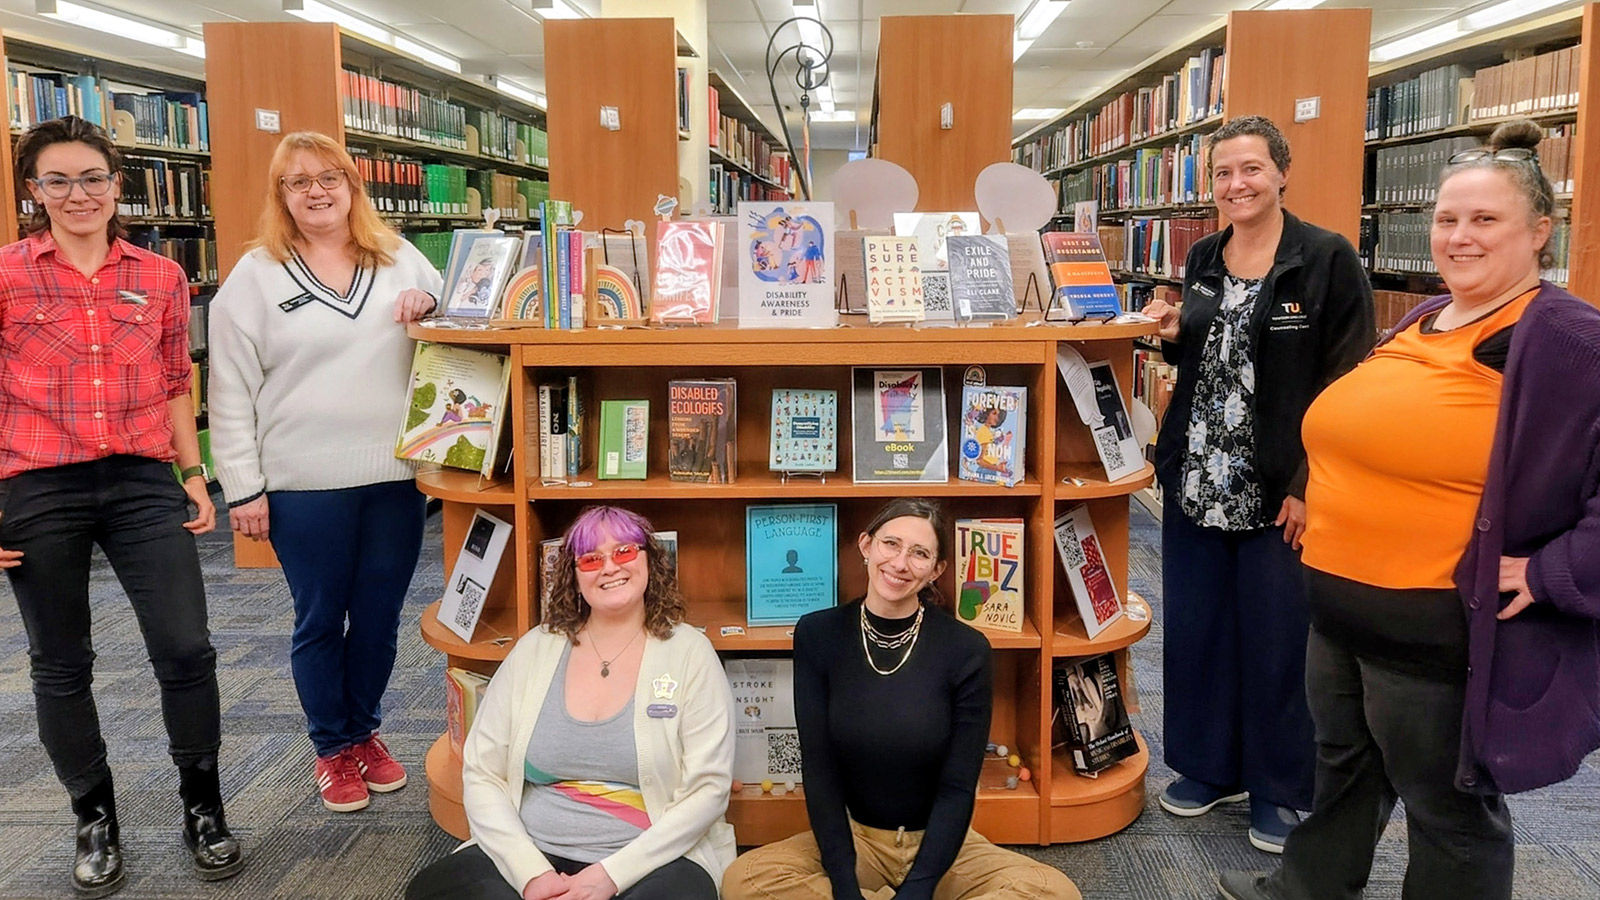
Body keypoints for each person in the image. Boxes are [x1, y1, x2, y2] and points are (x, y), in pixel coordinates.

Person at [1219, 121, 1600, 900]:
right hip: (1338, 608)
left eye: (1484, 220)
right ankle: (1310, 889)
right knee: (1344, 774)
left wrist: (1561, 570)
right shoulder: (1424, 319)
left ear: (1539, 231)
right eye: (1447, 219)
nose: (1459, 237)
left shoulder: (1566, 341)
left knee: (1446, 810)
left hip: (1433, 623)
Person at [0, 115, 243, 895]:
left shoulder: (163, 276)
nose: (79, 194)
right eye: (58, 180)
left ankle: (203, 806)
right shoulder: (5, 274)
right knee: (61, 662)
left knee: (186, 647)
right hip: (37, 484)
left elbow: (177, 381)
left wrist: (193, 472)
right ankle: (92, 816)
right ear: (33, 190)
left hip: (142, 481)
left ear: (116, 185)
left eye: (94, 178)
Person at [1140, 115, 1375, 853]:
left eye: (1249, 169)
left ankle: (1278, 787)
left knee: (1279, 639)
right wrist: (1171, 331)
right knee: (1201, 628)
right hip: (1198, 476)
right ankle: (1210, 769)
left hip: (1280, 487)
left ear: (1281, 172)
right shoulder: (1206, 255)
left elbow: (1347, 382)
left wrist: (1311, 484)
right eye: (1221, 174)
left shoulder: (1326, 259)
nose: (1234, 185)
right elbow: (1209, 358)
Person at [207, 131, 442, 813]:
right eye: (298, 180)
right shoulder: (255, 276)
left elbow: (463, 321)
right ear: (281, 195)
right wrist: (243, 486)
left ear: (352, 185)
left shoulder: (400, 259)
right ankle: (331, 749)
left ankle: (366, 731)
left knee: (377, 619)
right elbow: (228, 391)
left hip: (395, 478)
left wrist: (430, 308)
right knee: (319, 619)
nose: (317, 190)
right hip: (300, 485)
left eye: (330, 176)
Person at [722, 497, 1079, 900]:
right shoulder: (819, 635)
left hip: (943, 848)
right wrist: (842, 884)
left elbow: (958, 786)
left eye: (920, 553)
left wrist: (921, 887)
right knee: (744, 879)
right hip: (856, 841)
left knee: (1055, 891)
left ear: (937, 570)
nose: (900, 563)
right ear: (866, 545)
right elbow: (819, 770)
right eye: (890, 544)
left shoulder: (966, 649)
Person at [406, 505, 736, 900]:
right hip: (534, 849)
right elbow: (483, 773)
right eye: (591, 558)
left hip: (650, 858)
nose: (610, 567)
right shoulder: (535, 650)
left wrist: (610, 876)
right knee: (430, 891)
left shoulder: (691, 654)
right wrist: (530, 874)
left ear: (651, 561)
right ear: (573, 576)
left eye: (625, 552)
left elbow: (708, 790)